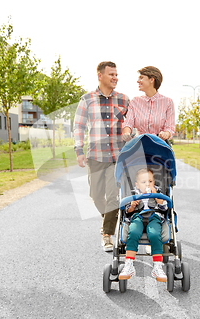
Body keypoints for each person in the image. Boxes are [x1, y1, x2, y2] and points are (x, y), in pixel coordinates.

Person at [73, 61, 129, 252]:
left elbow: (132, 124)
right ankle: (108, 219)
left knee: (113, 196)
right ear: (100, 75)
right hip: (95, 156)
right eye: (111, 74)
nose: (115, 78)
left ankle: (107, 235)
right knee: (96, 196)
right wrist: (79, 151)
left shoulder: (124, 100)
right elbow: (78, 127)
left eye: (116, 74)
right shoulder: (87, 99)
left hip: (116, 155)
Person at [118, 168, 168, 282]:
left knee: (155, 234)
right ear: (137, 184)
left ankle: (157, 267)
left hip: (154, 216)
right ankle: (129, 265)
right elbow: (127, 211)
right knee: (134, 232)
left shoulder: (157, 191)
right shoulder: (133, 193)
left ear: (154, 182)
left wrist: (156, 196)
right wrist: (132, 206)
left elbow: (164, 207)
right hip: (137, 216)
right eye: (144, 182)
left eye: (150, 181)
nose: (147, 184)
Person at [122, 66, 175, 142]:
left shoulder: (168, 102)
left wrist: (166, 134)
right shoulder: (135, 101)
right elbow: (128, 123)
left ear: (151, 80)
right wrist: (126, 133)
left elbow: (170, 128)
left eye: (141, 78)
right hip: (139, 145)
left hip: (159, 146)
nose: (138, 81)